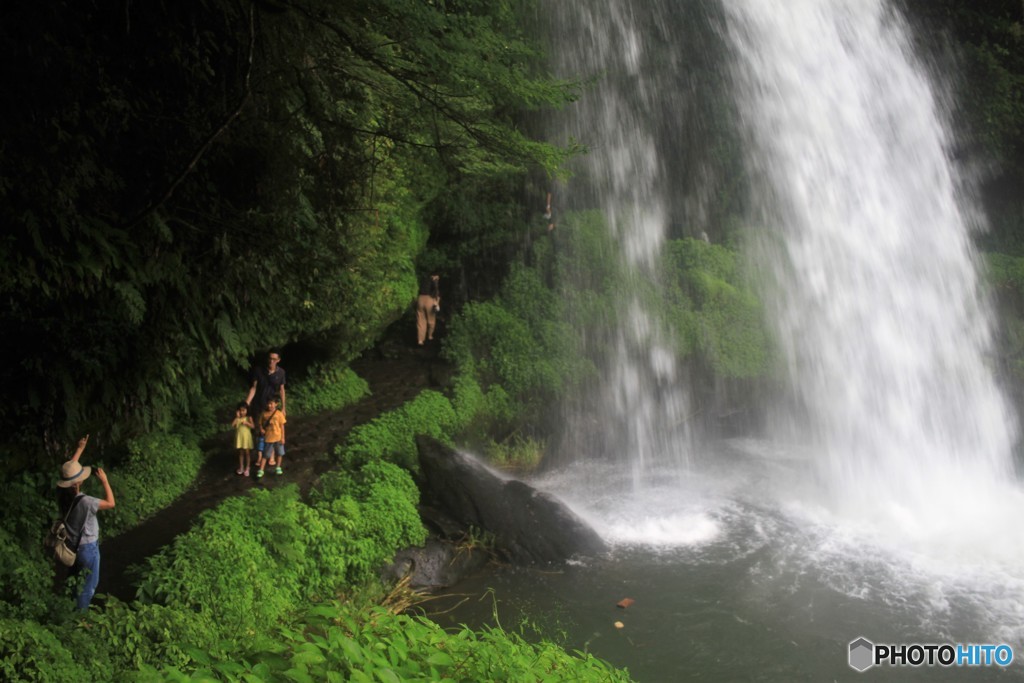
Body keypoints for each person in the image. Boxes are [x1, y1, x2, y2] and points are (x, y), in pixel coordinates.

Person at [55, 434, 115, 611]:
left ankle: (66, 608)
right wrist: (105, 481)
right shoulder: (87, 502)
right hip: (88, 549)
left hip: (72, 545)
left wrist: (79, 450)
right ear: (78, 482)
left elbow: (67, 474)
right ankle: (80, 619)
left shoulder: (61, 495)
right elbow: (111, 503)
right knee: (88, 586)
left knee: (74, 580)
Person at [245, 349, 286, 420]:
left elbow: (281, 390)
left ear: (278, 360)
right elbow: (254, 388)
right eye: (270, 358)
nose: (271, 361)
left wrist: (283, 408)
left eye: (274, 359)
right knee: (255, 426)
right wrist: (246, 403)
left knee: (271, 428)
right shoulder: (258, 370)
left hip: (271, 406)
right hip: (257, 404)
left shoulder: (281, 373)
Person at [256, 395, 287, 478]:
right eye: (268, 404)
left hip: (278, 436)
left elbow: (282, 426)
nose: (269, 405)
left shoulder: (279, 414)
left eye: (271, 403)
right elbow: (260, 423)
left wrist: (283, 437)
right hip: (268, 437)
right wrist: (261, 429)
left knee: (280, 453)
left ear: (276, 404)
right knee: (265, 454)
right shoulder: (264, 414)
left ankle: (278, 467)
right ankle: (261, 469)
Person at [415, 274, 441, 346]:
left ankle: (420, 340)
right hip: (430, 300)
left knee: (420, 320)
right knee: (431, 320)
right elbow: (436, 293)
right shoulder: (434, 282)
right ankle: (430, 336)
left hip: (420, 299)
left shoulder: (423, 280)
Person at [232, 402, 255, 476]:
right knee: (241, 453)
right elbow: (232, 425)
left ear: (247, 410)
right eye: (240, 410)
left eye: (243, 410)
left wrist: (247, 423)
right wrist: (237, 417)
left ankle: (247, 467)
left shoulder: (248, 418)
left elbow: (253, 426)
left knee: (247, 453)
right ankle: (241, 467)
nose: (242, 412)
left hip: (246, 438)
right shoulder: (238, 418)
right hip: (240, 438)